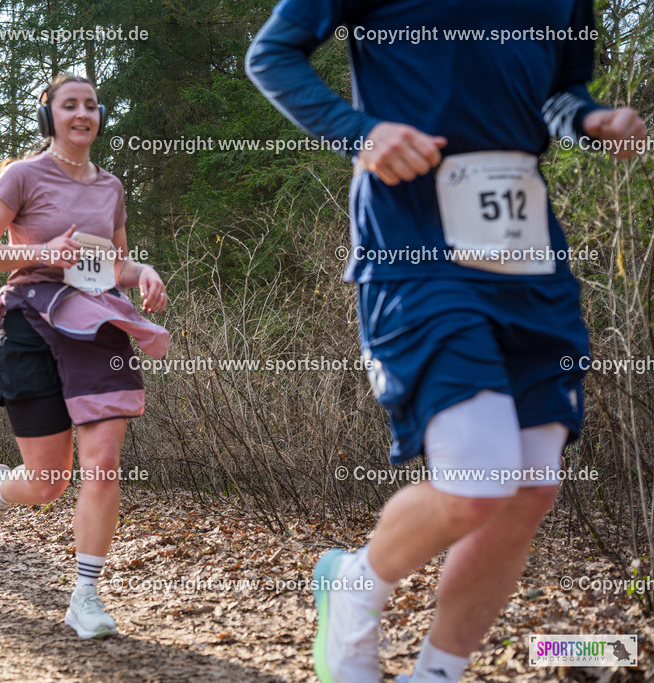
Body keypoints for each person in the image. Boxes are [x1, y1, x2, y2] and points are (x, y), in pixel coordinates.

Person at [246, 2, 647, 681]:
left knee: (530, 487)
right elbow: (273, 55)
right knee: (475, 482)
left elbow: (558, 94)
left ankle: (437, 671)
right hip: (416, 247)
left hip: (529, 260)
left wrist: (588, 118)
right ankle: (352, 587)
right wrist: (360, 132)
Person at [0, 73, 169, 639]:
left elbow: (115, 264)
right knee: (49, 480)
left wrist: (142, 271)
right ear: (49, 116)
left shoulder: (112, 187)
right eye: (69, 105)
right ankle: (1, 489)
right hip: (30, 320)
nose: (83, 113)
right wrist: (40, 251)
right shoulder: (23, 175)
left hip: (100, 325)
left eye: (92, 106)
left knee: (102, 463)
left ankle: (86, 594)